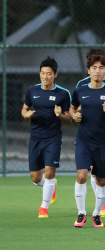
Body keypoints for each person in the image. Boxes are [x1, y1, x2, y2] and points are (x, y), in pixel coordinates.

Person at [70, 54, 105, 228]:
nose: (97, 71)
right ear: (88, 70)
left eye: (101, 68)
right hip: (83, 140)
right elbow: (72, 107)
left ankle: (96, 214)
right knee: (82, 176)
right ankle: (81, 214)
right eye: (94, 68)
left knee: (101, 181)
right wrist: (74, 115)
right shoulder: (80, 90)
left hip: (102, 142)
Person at [21, 56, 71, 219]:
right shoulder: (32, 91)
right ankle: (51, 186)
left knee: (49, 172)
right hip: (35, 137)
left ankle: (44, 207)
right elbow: (24, 109)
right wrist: (26, 114)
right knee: (36, 178)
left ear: (55, 74)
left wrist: (60, 115)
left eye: (48, 73)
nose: (45, 76)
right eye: (42, 73)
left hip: (53, 138)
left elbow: (69, 117)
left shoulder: (63, 93)